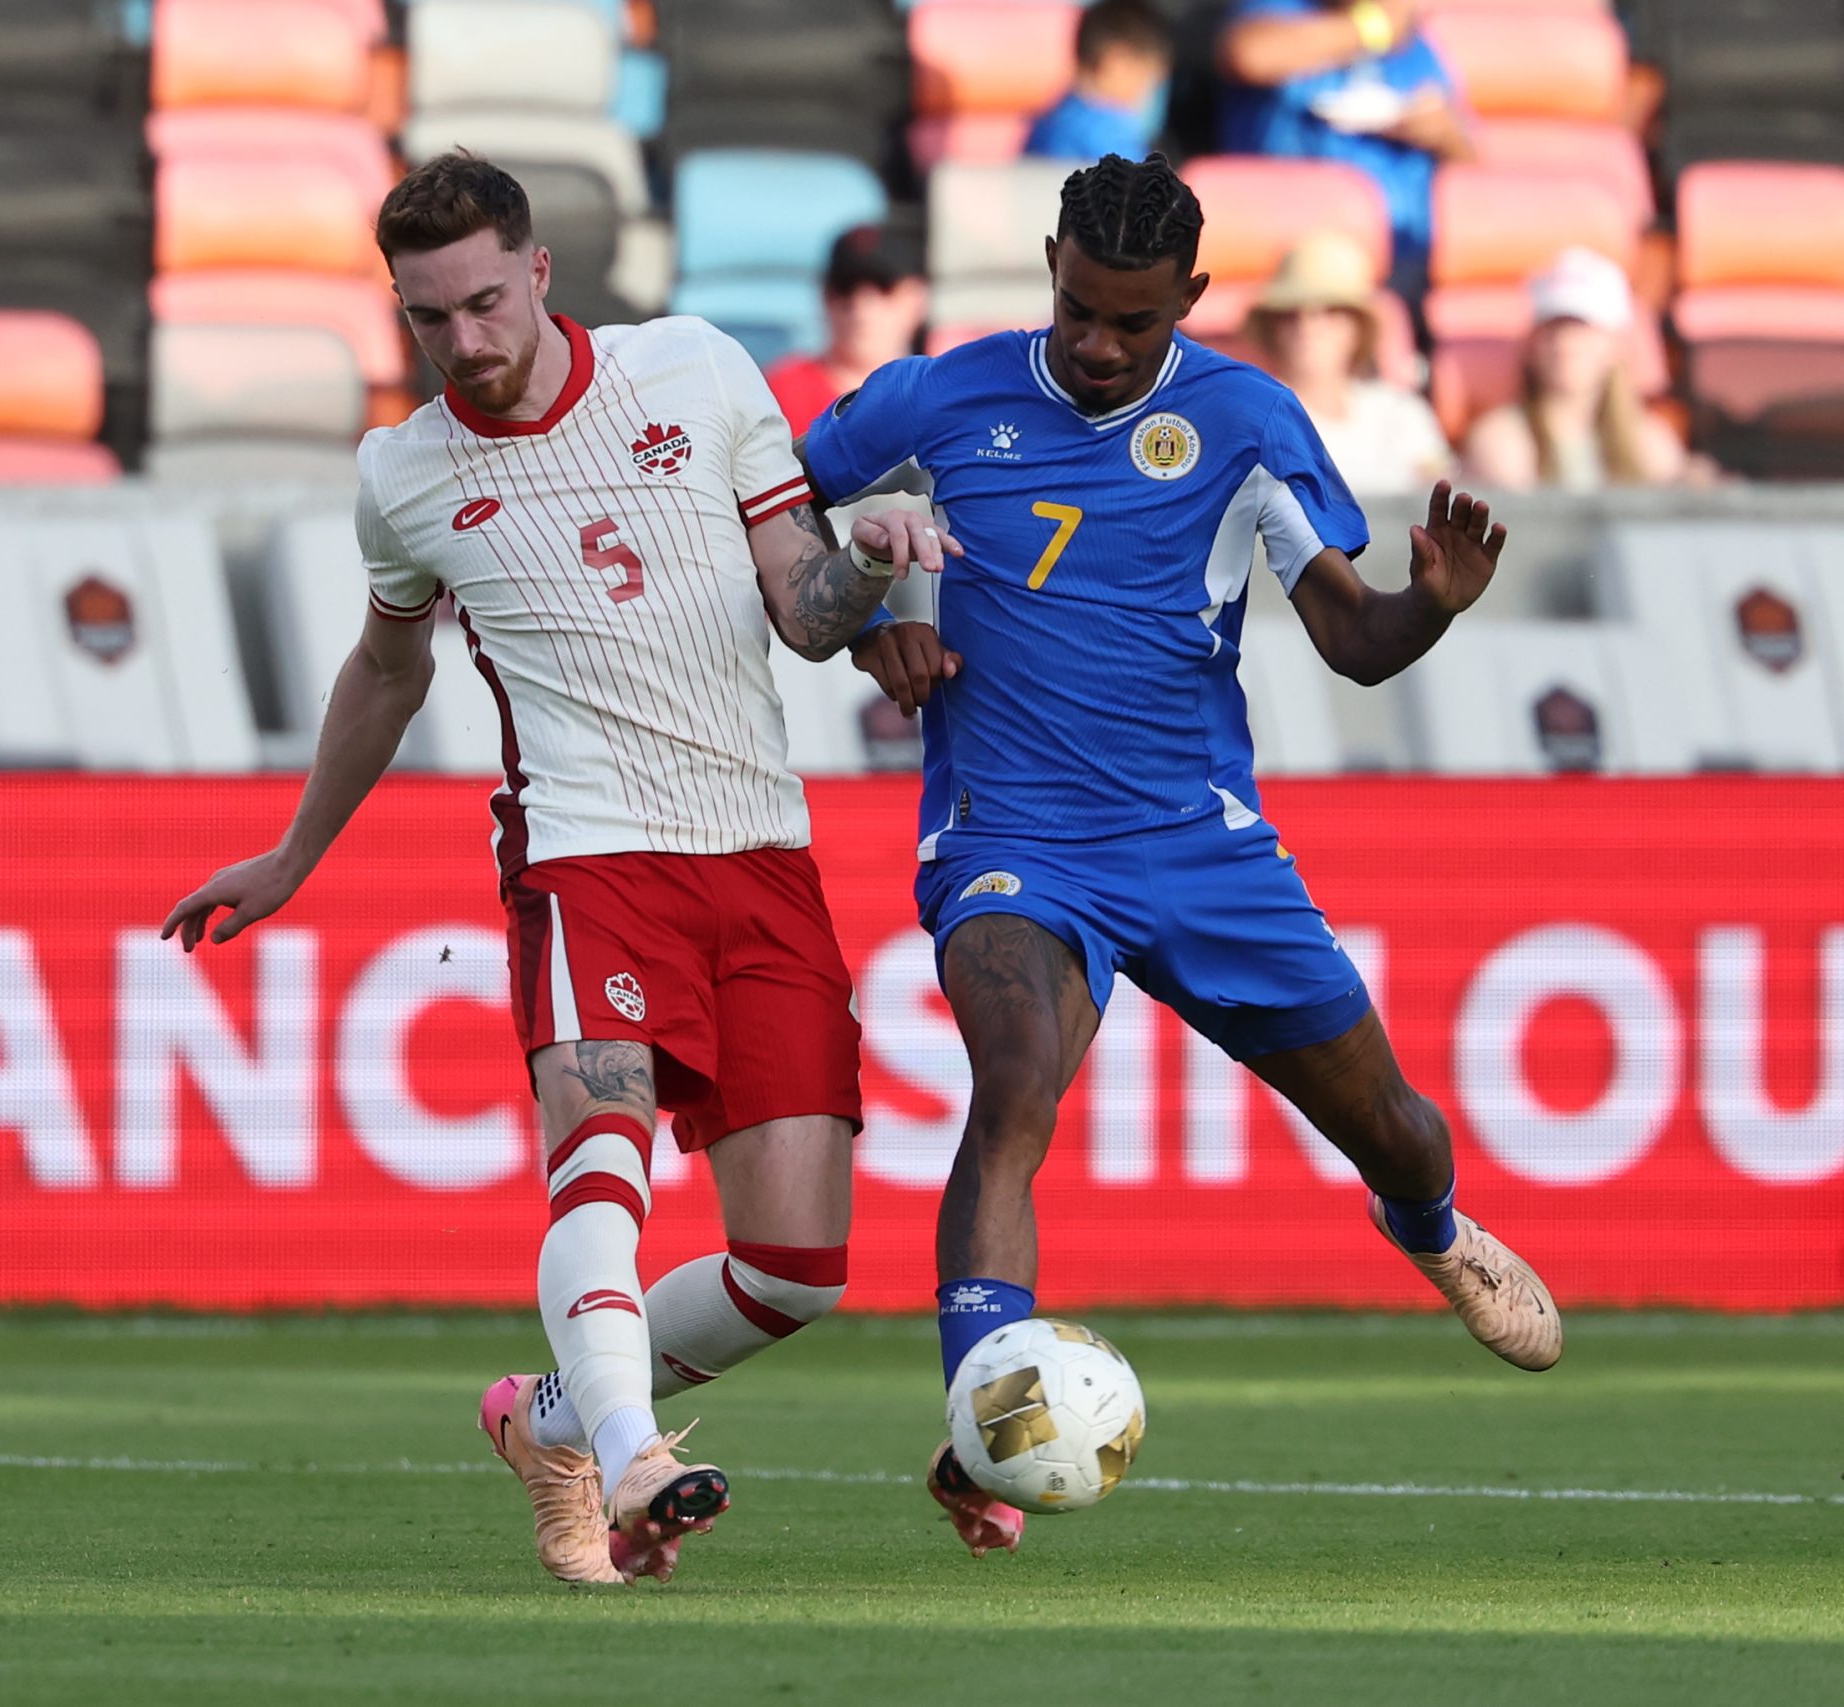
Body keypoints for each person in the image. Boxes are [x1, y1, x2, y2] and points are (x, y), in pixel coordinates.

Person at [161, 153, 953, 1587]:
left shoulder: (696, 372)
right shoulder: (404, 476)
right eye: (426, 320)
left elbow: (805, 611)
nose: (462, 343)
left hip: (760, 850)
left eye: (479, 302)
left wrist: (880, 557)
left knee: (795, 1269)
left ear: (538, 270)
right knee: (601, 1148)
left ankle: (551, 1418)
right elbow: (386, 673)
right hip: (586, 852)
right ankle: (637, 1453)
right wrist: (294, 852)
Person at [821, 153, 1563, 1560]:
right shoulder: (938, 395)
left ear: (1194, 300)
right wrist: (873, 614)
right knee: (1013, 1084)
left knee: (1398, 1125)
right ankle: (987, 1422)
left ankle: (1437, 1229)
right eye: (1081, 310)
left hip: (1200, 849)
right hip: (1011, 838)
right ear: (1048, 263)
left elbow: (1351, 641)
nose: (1099, 347)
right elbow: (775, 515)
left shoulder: (1244, 419)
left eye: (1135, 323)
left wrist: (1435, 606)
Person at [1218, 0, 1472, 303]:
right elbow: (1250, 55)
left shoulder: (1416, 50)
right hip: (1293, 261)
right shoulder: (1280, 12)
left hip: (1402, 263)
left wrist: (1446, 134)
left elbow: (1476, 170)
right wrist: (1375, 28)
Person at [1243, 228, 1450, 499]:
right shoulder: (1251, 419)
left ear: (1357, 329)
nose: (1309, 326)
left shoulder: (1402, 413)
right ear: (1273, 328)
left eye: (1331, 311)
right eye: (1291, 314)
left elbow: (1440, 497)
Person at [1462, 246, 1688, 492]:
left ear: (1614, 345)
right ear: (1532, 345)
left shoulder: (1652, 446)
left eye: (1581, 329)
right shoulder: (1502, 442)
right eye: (1553, 329)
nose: (1565, 344)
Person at [763, 225, 931, 435]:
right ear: (824, 296)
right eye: (845, 289)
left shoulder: (945, 397)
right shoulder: (781, 394)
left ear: (917, 298)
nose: (861, 309)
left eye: (884, 289)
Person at [1024, 0, 1174, 163]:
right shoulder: (1110, 134)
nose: (1146, 93)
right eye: (1146, 78)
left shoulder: (1048, 123)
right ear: (1117, 63)